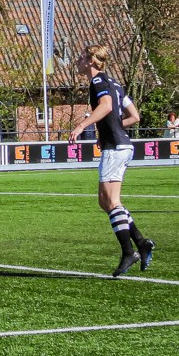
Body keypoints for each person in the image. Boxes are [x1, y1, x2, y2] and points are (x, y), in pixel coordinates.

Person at [69, 45, 155, 277]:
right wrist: (110, 129)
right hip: (120, 144)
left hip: (116, 147)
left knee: (111, 201)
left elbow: (106, 107)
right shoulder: (115, 83)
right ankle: (140, 242)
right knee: (106, 201)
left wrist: (82, 125)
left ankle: (130, 251)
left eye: (80, 57)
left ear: (90, 61)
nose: (77, 61)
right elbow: (134, 117)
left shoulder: (98, 83)